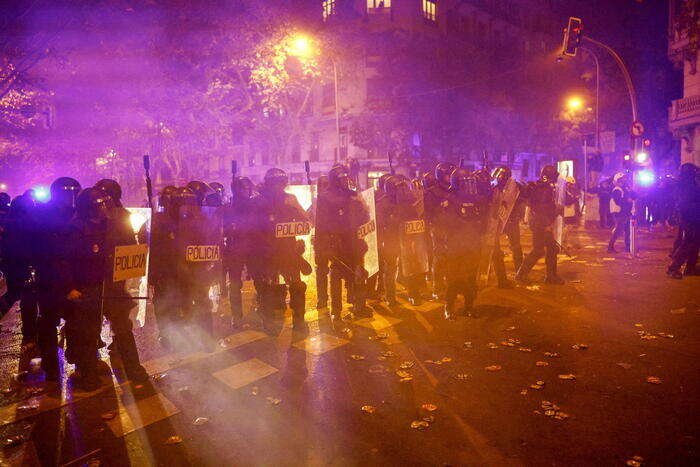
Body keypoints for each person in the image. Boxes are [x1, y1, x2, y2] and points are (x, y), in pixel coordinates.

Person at [94, 179, 149, 383]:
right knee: (115, 326)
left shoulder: (119, 217)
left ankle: (131, 368)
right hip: (104, 282)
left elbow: (129, 250)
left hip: (109, 282)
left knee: (120, 327)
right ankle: (131, 369)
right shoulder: (100, 218)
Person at [249, 168, 311, 334]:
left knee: (297, 286)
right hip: (267, 253)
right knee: (267, 287)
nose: (278, 187)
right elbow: (252, 228)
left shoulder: (290, 199)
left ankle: (299, 321)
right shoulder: (258, 201)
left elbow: (305, 221)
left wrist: (295, 209)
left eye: (280, 183)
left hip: (288, 251)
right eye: (274, 183)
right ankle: (269, 322)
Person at [31, 177, 81, 381]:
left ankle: (59, 364)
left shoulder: (78, 214)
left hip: (61, 278)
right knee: (55, 322)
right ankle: (54, 365)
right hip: (53, 278)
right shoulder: (47, 216)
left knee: (68, 321)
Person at [63, 188, 112, 391]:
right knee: (83, 332)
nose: (104, 209)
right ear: (90, 208)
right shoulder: (75, 229)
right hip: (81, 290)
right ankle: (88, 375)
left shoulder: (103, 226)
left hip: (97, 287)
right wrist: (69, 288)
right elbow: (64, 262)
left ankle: (89, 367)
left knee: (93, 330)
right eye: (99, 205)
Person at [316, 164, 373, 319]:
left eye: (346, 178)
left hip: (354, 241)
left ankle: (359, 306)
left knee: (359, 272)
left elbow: (364, 216)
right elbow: (321, 223)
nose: (345, 181)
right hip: (337, 242)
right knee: (336, 276)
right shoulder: (325, 197)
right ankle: (336, 310)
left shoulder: (353, 195)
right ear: (334, 180)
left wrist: (364, 213)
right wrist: (325, 245)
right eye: (342, 178)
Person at [441, 169, 487, 319]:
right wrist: (464, 222)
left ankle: (469, 306)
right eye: (466, 183)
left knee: (471, 279)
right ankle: (449, 307)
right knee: (455, 278)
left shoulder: (477, 199)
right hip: (456, 246)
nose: (469, 186)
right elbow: (446, 222)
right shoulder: (449, 199)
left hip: (473, 244)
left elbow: (484, 219)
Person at [381, 175, 429, 307]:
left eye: (403, 189)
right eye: (399, 189)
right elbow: (383, 222)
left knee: (411, 267)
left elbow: (415, 219)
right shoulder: (384, 203)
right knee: (390, 269)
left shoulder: (408, 202)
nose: (402, 191)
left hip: (407, 241)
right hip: (392, 241)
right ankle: (390, 296)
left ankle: (414, 294)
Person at [0, 195, 39, 348]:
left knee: (18, 295)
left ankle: (29, 333)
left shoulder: (8, 223)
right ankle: (31, 333)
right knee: (28, 298)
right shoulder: (33, 223)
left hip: (12, 265)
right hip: (28, 264)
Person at [515, 165, 564, 285]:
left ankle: (550, 276)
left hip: (539, 223)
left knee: (551, 248)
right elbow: (542, 208)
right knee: (538, 250)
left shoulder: (541, 186)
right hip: (541, 224)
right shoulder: (544, 188)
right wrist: (546, 225)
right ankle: (521, 275)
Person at [146, 185, 180, 349]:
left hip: (178, 269)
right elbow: (145, 240)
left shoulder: (183, 218)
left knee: (175, 301)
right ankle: (167, 333)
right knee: (163, 303)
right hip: (163, 270)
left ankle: (174, 332)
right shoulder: (158, 219)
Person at [222, 176, 257, 327]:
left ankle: (261, 309)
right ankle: (236, 315)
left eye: (248, 188)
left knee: (261, 279)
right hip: (235, 247)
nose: (247, 191)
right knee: (235, 283)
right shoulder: (228, 208)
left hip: (252, 246)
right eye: (244, 188)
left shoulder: (255, 205)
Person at [424, 162, 455, 298]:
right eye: (449, 175)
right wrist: (442, 207)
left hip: (451, 228)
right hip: (438, 228)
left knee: (451, 257)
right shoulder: (432, 192)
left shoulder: (452, 189)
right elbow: (429, 212)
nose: (451, 178)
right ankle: (437, 287)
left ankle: (448, 283)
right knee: (440, 256)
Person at [491, 166, 523, 288]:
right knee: (495, 251)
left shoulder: (515, 188)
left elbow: (522, 199)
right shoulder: (493, 187)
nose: (501, 180)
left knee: (515, 247)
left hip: (511, 221)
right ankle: (502, 278)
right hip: (497, 222)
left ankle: (520, 272)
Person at [667, 163, 699, 279]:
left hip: (693, 216)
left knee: (695, 243)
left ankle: (690, 268)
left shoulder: (687, 183)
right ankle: (673, 268)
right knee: (688, 242)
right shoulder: (686, 185)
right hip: (689, 217)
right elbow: (689, 201)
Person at [608, 172, 635, 253]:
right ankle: (610, 247)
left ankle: (628, 247)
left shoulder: (624, 189)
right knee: (618, 231)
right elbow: (618, 202)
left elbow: (634, 196)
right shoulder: (617, 190)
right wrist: (628, 201)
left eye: (624, 180)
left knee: (627, 231)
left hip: (625, 212)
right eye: (621, 180)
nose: (623, 182)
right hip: (619, 213)